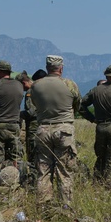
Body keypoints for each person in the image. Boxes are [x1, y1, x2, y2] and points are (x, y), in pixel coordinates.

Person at [31, 56, 81, 208]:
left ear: (47, 68)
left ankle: (43, 206)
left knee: (43, 170)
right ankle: (66, 206)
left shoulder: (36, 85)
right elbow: (77, 104)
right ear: (61, 68)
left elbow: (34, 104)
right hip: (64, 129)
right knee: (64, 171)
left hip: (43, 129)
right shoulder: (69, 84)